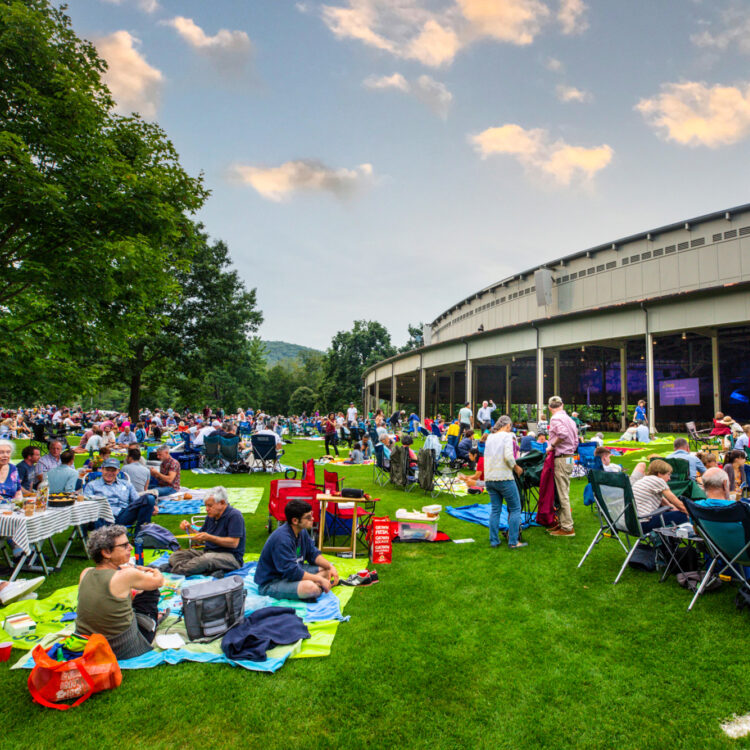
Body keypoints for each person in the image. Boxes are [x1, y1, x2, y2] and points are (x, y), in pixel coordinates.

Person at [76, 525, 164, 659]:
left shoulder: (85, 573)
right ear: (106, 552)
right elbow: (158, 582)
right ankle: (152, 621)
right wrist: (154, 570)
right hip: (123, 648)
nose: (131, 548)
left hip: (87, 644)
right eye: (124, 545)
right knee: (149, 591)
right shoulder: (126, 575)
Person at [254, 499, 339, 600]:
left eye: (311, 514)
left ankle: (308, 586)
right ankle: (313, 588)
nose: (312, 518)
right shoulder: (282, 539)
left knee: (327, 570)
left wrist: (330, 566)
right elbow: (292, 572)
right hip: (273, 581)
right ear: (295, 521)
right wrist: (319, 579)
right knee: (311, 588)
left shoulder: (301, 531)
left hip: (295, 570)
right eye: (308, 517)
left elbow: (313, 554)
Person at [168, 488, 245, 575]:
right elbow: (199, 538)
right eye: (206, 506)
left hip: (231, 557)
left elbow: (233, 543)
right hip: (208, 552)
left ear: (222, 503)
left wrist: (210, 538)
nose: (206, 509)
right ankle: (199, 569)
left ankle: (173, 571)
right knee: (176, 556)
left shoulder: (234, 515)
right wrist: (188, 528)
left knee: (205, 559)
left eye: (210, 506)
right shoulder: (211, 516)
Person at [483, 416, 526, 548]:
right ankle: (513, 541)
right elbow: (508, 456)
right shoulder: (507, 436)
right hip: (504, 477)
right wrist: (516, 467)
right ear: (507, 425)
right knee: (515, 508)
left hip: (490, 477)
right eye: (510, 427)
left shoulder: (489, 437)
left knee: (495, 510)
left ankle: (494, 541)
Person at [84, 458, 156, 534]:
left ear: (118, 471)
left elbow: (137, 501)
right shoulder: (92, 485)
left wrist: (151, 504)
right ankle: (103, 539)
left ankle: (139, 537)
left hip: (124, 515)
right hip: (103, 517)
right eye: (107, 470)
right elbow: (86, 504)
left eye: (113, 470)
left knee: (149, 498)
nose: (110, 473)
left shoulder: (126, 484)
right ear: (102, 469)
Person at [547, 396, 578, 537]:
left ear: (549, 408)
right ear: (562, 405)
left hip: (561, 457)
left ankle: (567, 527)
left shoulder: (555, 419)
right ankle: (562, 522)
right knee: (563, 490)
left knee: (562, 493)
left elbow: (563, 434)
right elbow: (576, 440)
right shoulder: (570, 420)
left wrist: (552, 445)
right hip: (569, 457)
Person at [629, 459, 688, 531]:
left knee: (674, 513)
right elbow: (675, 501)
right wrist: (693, 514)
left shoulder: (645, 480)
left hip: (633, 524)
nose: (669, 478)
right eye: (668, 474)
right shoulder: (658, 480)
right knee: (683, 516)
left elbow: (667, 504)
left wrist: (677, 510)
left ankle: (666, 541)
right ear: (660, 474)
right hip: (644, 523)